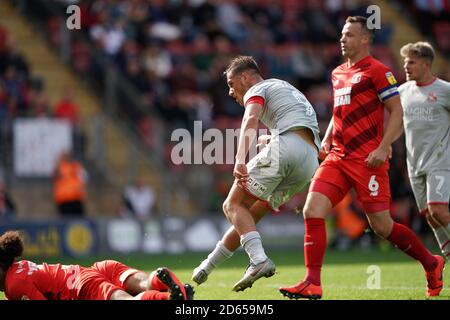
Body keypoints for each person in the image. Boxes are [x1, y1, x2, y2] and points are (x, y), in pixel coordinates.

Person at [279, 16, 445, 300]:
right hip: (338, 157)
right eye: (342, 34)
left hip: (367, 160)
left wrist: (383, 147)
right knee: (312, 210)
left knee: (381, 226)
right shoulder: (337, 73)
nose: (343, 39)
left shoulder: (378, 71)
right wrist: (328, 137)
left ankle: (431, 263)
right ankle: (312, 282)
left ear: (366, 39)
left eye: (350, 35)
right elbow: (338, 112)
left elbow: (397, 111)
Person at [191, 55, 321, 292]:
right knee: (246, 217)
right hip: (309, 161)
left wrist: (240, 159)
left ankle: (259, 261)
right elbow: (300, 126)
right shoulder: (285, 87)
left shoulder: (258, 88)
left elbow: (250, 119)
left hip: (286, 149)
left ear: (245, 77)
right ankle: (208, 265)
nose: (231, 92)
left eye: (231, 84)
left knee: (231, 205)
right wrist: (273, 138)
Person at [0, 230, 194, 300]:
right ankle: (171, 287)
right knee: (145, 284)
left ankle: (169, 298)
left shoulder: (14, 282)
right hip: (95, 270)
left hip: (79, 286)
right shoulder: (17, 271)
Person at [399, 42, 450, 259]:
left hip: (439, 161)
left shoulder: (445, 90)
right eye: (404, 62)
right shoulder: (402, 91)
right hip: (414, 164)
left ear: (426, 64)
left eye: (411, 62)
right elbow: (394, 123)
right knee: (430, 215)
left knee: (438, 210)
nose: (406, 66)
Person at [53, 151, 88, 217]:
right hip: (63, 199)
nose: (67, 157)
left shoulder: (76, 166)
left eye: (68, 155)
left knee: (78, 219)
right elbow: (55, 176)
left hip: (76, 198)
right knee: (65, 219)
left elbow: (84, 177)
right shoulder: (60, 167)